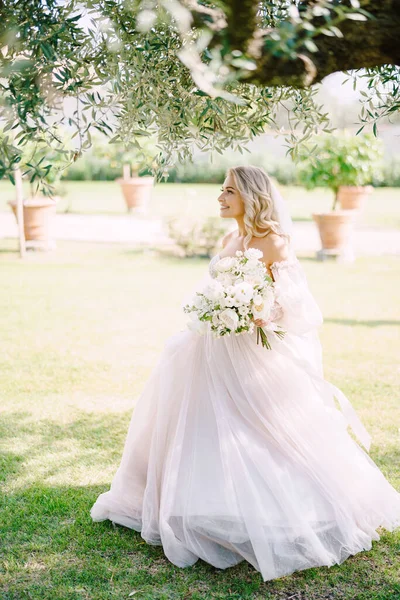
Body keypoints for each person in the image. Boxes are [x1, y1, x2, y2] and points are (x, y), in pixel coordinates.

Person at [90, 165, 400, 582]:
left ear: (250, 196)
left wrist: (257, 312)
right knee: (203, 427)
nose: (220, 197)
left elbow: (298, 309)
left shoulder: (273, 242)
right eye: (221, 189)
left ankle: (281, 509)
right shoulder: (230, 238)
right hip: (210, 348)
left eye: (229, 191)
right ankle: (199, 504)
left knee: (263, 430)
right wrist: (213, 310)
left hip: (251, 352)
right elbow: (208, 288)